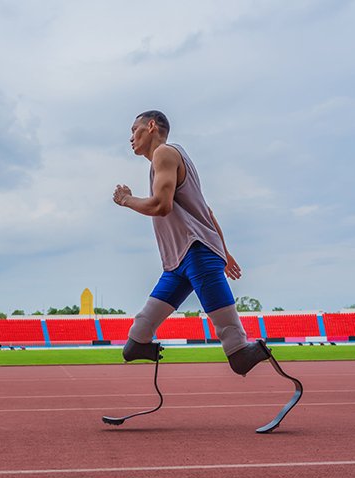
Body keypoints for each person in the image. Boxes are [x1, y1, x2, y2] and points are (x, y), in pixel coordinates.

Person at [113, 110, 270, 376]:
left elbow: (162, 206)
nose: (130, 137)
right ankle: (141, 345)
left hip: (195, 250)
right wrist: (225, 252)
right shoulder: (172, 159)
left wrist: (126, 200)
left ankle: (238, 351)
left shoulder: (164, 153)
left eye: (134, 129)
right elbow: (204, 210)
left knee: (232, 344)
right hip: (181, 258)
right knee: (137, 338)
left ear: (151, 126)